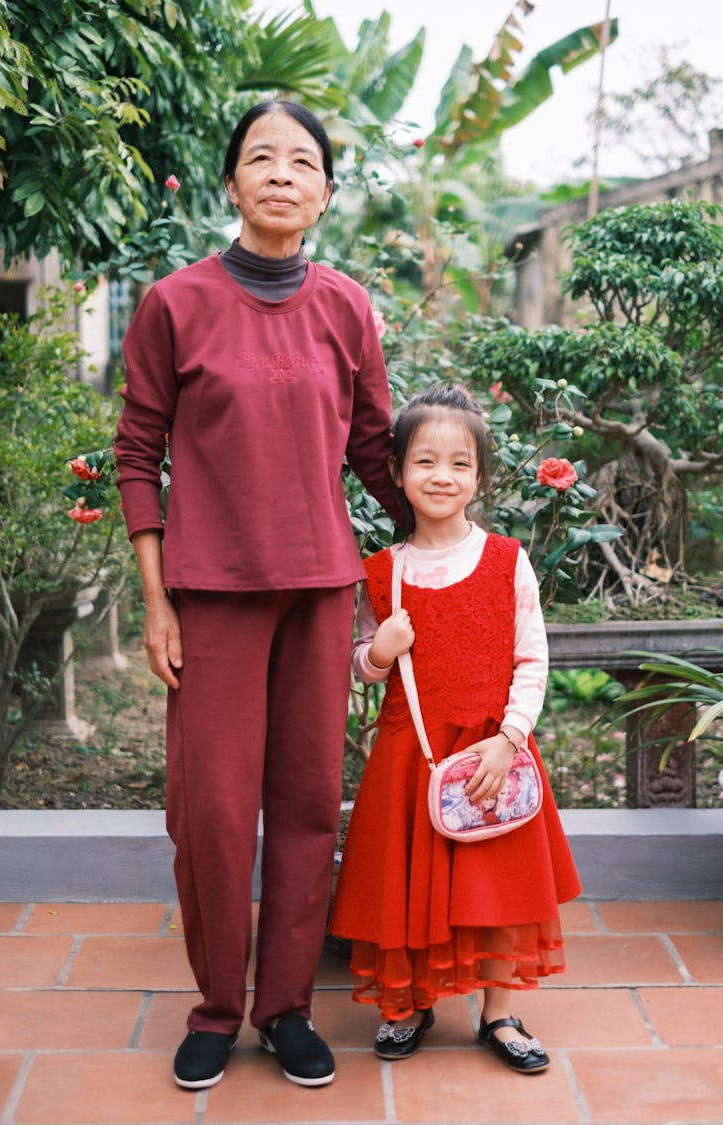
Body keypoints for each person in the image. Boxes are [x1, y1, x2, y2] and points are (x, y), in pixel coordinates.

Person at [114, 100, 404, 1091]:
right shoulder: (174, 304)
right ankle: (214, 1008)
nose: (283, 173)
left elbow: (374, 448)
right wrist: (157, 602)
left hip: (321, 592)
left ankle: (284, 1009)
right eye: (261, 158)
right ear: (231, 183)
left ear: (325, 192)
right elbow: (137, 455)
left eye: (304, 161)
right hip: (212, 597)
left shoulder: (346, 307)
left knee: (309, 805)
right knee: (213, 815)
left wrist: (453, 544)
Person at [329, 384, 582, 1073]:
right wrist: (379, 651)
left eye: (460, 463)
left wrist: (510, 736)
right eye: (426, 461)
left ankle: (499, 1012)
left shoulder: (506, 558)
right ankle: (408, 1002)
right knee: (405, 884)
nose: (442, 476)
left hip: (493, 751)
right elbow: (359, 665)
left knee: (498, 883)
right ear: (399, 472)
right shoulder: (383, 572)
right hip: (410, 755)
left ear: (479, 475)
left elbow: (534, 655)